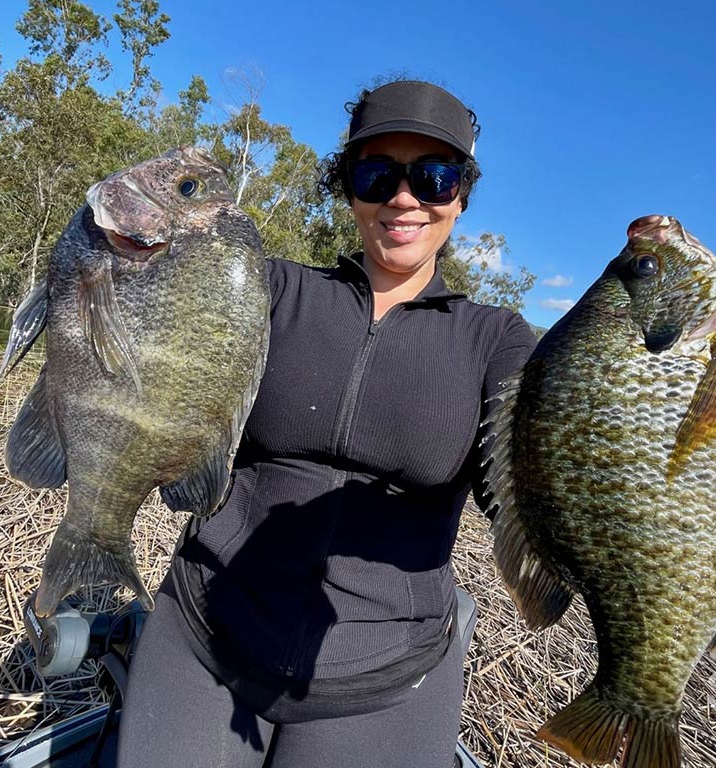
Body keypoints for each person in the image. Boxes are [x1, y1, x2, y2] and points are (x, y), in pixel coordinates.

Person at [117, 79, 537, 768]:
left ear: (461, 195)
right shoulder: (272, 290)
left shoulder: (495, 340)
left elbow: (528, 493)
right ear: (347, 187)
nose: (404, 198)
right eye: (376, 173)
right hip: (210, 627)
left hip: (386, 673)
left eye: (434, 177)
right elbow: (151, 319)